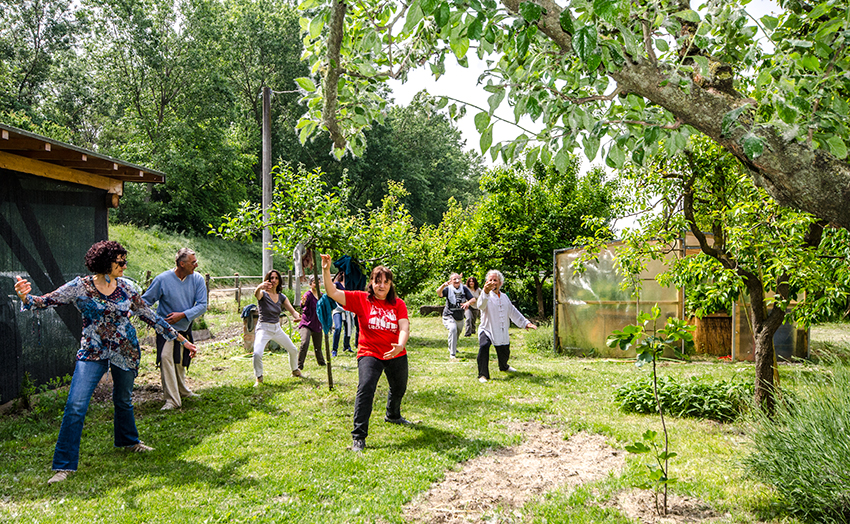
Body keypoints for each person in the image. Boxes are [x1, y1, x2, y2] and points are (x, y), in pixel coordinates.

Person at [13, 241, 197, 484]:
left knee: (123, 399)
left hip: (126, 351)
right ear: (104, 263)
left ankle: (129, 441)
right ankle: (64, 466)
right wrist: (25, 296)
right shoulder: (80, 287)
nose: (124, 265)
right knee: (76, 404)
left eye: (124, 261)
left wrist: (182, 340)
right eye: (119, 261)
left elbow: (150, 316)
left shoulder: (128, 288)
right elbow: (45, 301)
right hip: (92, 351)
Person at [320, 254, 411, 453]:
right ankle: (359, 436)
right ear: (371, 283)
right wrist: (326, 270)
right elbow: (332, 292)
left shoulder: (398, 304)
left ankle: (393, 415)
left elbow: (404, 326)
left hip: (395, 352)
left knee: (399, 387)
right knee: (366, 388)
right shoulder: (361, 299)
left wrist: (400, 344)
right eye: (378, 282)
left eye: (386, 282)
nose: (382, 286)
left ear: (390, 285)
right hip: (370, 352)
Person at [142, 248, 207, 411]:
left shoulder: (197, 279)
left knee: (179, 362)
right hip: (165, 329)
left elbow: (202, 305)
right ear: (181, 264)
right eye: (193, 262)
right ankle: (172, 400)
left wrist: (183, 315)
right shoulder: (162, 279)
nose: (196, 265)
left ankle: (183, 391)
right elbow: (145, 302)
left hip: (184, 327)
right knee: (166, 358)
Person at [476, 270, 537, 383]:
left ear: (500, 283)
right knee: (484, 346)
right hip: (487, 328)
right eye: (490, 280)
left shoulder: (504, 297)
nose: (493, 282)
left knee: (504, 352)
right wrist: (485, 291)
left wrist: (525, 323)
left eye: (495, 280)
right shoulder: (485, 295)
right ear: (486, 282)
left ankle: (504, 367)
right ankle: (483, 375)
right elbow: (480, 305)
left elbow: (513, 311)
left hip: (501, 330)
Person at [252, 269, 303, 386]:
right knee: (257, 353)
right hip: (263, 328)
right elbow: (256, 294)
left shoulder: (281, 297)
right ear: (267, 280)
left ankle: (295, 370)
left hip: (277, 328)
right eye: (271, 278)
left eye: (276, 278)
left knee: (293, 350)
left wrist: (297, 316)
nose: (274, 280)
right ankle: (259, 378)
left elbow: (293, 311)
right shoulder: (263, 294)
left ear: (279, 281)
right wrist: (260, 286)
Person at [437, 273, 475, 359]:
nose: (457, 281)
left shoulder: (464, 288)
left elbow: (473, 299)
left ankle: (451, 347)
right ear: (451, 281)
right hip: (448, 315)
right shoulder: (448, 289)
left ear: (461, 280)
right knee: (453, 329)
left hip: (460, 316)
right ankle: (452, 354)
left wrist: (468, 303)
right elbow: (439, 293)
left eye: (458, 279)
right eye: (454, 279)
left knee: (457, 332)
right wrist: (443, 285)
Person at [297, 276, 327, 370]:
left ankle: (321, 363)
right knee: (305, 342)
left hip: (317, 323)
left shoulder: (322, 295)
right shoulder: (308, 294)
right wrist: (303, 303)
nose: (317, 284)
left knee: (318, 346)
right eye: (314, 282)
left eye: (318, 282)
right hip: (307, 323)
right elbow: (303, 306)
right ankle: (299, 365)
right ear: (310, 284)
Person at [331, 272, 353, 357]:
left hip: (348, 310)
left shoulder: (349, 285)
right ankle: (334, 349)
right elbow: (331, 290)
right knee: (338, 327)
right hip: (337, 309)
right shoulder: (337, 284)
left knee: (348, 329)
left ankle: (346, 346)